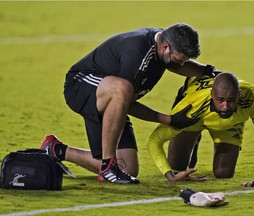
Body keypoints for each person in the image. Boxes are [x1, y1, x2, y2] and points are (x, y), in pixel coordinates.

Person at [40, 23, 216, 184]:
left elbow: (175, 64)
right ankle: (109, 167)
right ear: (165, 47)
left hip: (112, 99)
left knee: (128, 169)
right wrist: (168, 120)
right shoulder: (137, 52)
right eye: (179, 60)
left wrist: (208, 71)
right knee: (123, 89)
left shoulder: (163, 44)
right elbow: (127, 102)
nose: (182, 65)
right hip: (81, 85)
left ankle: (55, 150)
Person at [147, 72, 254, 188]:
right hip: (193, 120)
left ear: (239, 95)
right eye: (220, 100)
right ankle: (194, 135)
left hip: (229, 124)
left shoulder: (251, 96)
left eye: (231, 100)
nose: (225, 106)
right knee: (176, 168)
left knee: (224, 173)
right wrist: (170, 176)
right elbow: (154, 141)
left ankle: (207, 133)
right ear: (212, 95)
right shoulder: (191, 107)